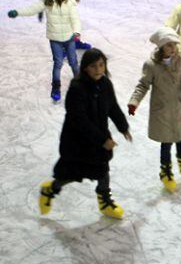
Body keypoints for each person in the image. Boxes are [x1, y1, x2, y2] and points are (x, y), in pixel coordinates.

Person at [37, 49, 131, 219]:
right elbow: (79, 120)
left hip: (97, 136)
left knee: (103, 169)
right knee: (73, 174)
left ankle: (105, 201)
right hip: (78, 142)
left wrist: (123, 126)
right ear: (85, 68)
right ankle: (50, 189)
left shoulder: (105, 84)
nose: (98, 70)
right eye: (93, 66)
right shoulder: (77, 88)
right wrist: (103, 140)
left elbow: (112, 107)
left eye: (101, 65)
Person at [129, 27, 181, 192]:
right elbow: (143, 85)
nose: (173, 48)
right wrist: (134, 101)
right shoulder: (151, 65)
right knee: (166, 143)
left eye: (175, 45)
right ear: (161, 47)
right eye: (169, 45)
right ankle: (165, 171)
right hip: (162, 111)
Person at [8, 0, 81, 101]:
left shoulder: (70, 1)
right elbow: (32, 9)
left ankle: (80, 84)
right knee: (58, 63)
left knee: (73, 61)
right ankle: (56, 87)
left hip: (69, 37)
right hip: (55, 38)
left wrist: (76, 32)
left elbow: (75, 18)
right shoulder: (47, 2)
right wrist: (18, 12)